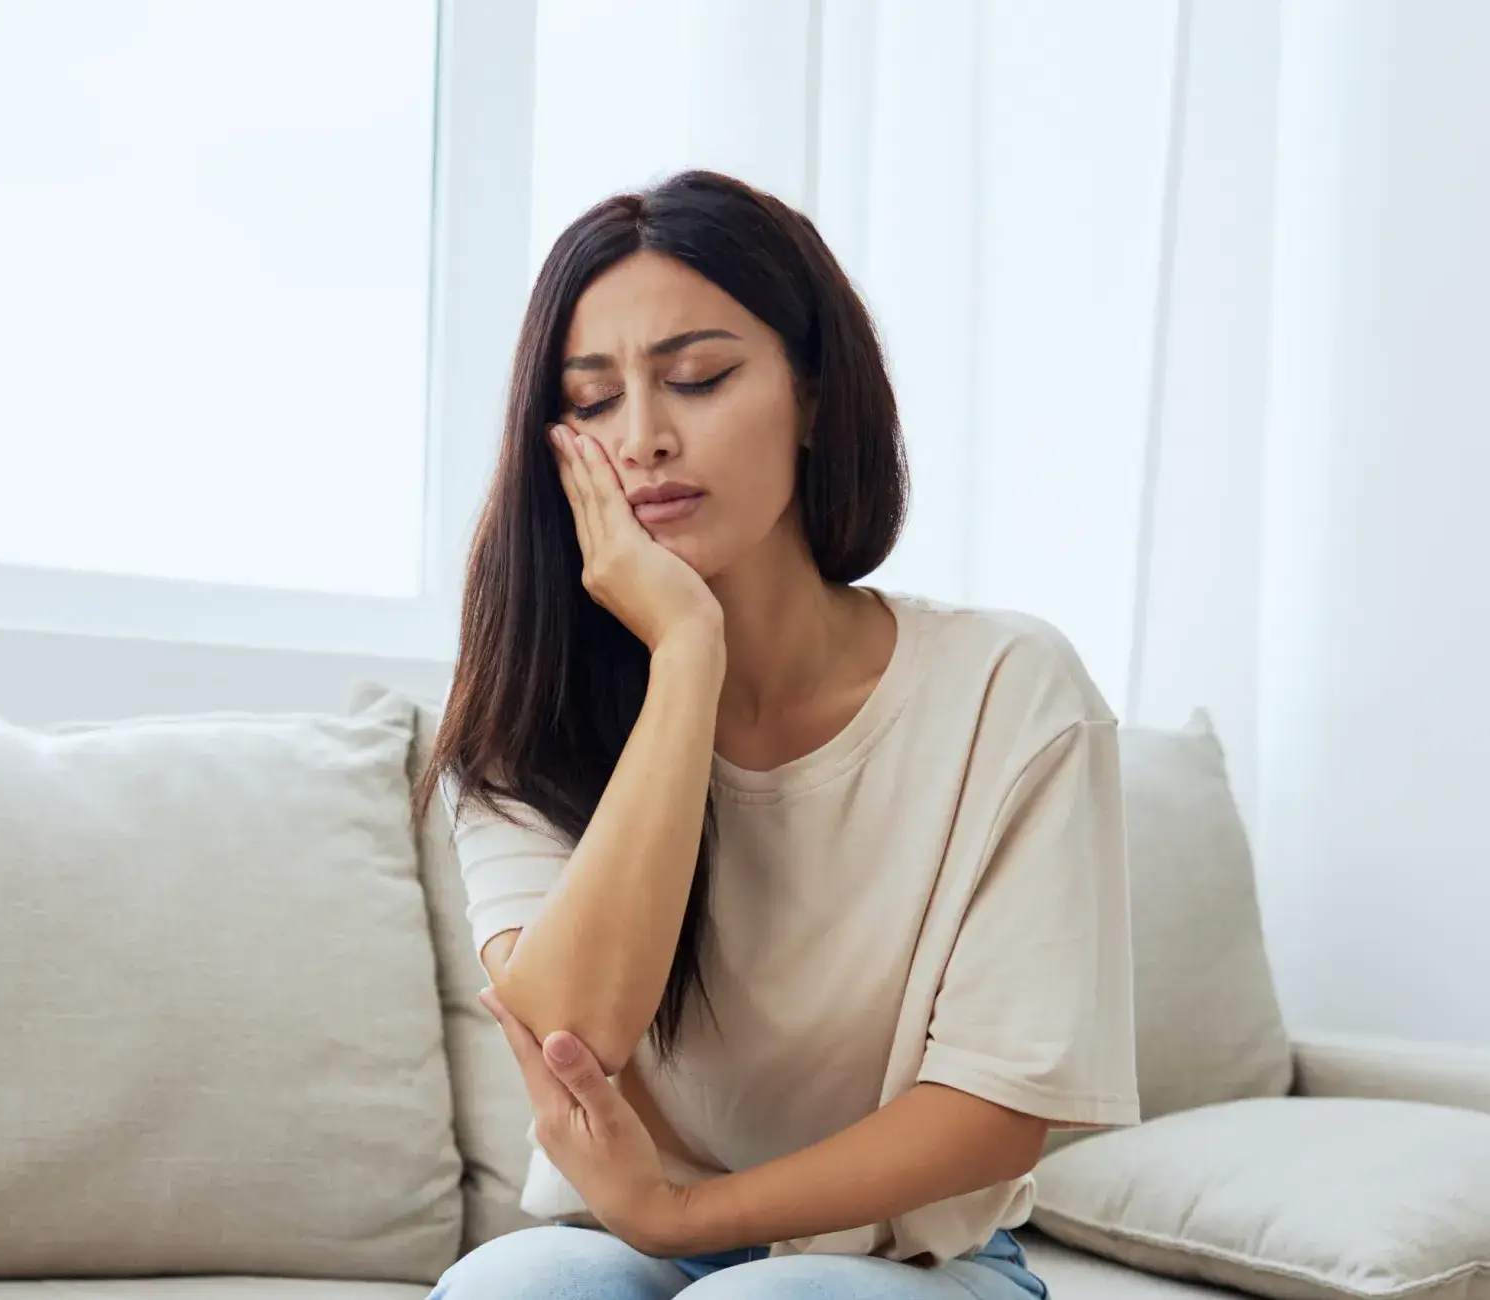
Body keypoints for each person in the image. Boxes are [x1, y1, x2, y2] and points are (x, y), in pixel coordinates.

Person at [418, 170, 1139, 1299]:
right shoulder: (526, 717)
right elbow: (573, 1036)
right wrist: (684, 656)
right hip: (625, 1249)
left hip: (919, 1264)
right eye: (593, 401)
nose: (643, 438)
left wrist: (688, 1212)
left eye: (697, 379)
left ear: (811, 395)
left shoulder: (1010, 690)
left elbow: (997, 1112)